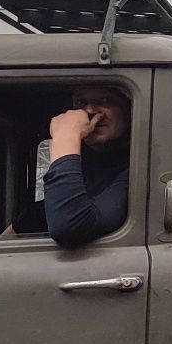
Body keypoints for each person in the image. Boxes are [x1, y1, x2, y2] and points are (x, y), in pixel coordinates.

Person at [42, 84, 132, 247]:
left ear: (129, 110)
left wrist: (66, 135)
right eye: (81, 102)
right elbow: (36, 216)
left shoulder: (137, 170)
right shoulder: (89, 165)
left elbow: (69, 226)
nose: (89, 110)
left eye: (105, 100)